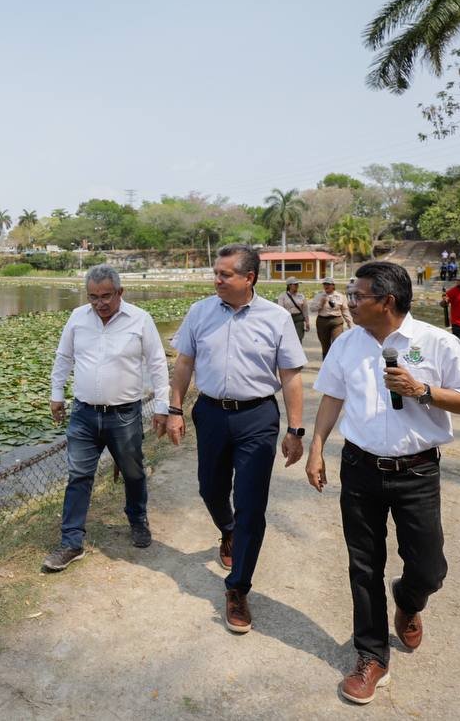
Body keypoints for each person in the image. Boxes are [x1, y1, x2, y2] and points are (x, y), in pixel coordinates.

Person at [304, 261, 460, 705]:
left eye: (358, 296)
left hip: (418, 471)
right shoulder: (346, 344)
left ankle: (408, 600)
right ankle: (371, 655)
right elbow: (333, 395)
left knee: (429, 568)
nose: (349, 301)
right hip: (361, 467)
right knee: (363, 565)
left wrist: (421, 390)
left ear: (386, 301)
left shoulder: (436, 343)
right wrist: (316, 447)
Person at [166, 244, 306, 633]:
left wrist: (295, 430)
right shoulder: (200, 312)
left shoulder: (276, 318)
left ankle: (238, 588)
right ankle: (228, 531)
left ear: (250, 278)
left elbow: (291, 376)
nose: (217, 280)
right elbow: (184, 363)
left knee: (251, 504)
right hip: (210, 413)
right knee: (209, 489)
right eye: (216, 273)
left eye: (225, 275)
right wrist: (175, 409)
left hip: (257, 417)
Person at [43, 265, 170, 572]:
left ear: (120, 293)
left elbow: (156, 363)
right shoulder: (77, 318)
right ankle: (71, 541)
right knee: (79, 476)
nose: (100, 303)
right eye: (93, 297)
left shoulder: (140, 319)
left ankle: (137, 519)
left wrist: (164, 407)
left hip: (124, 414)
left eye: (106, 296)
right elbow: (64, 357)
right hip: (84, 414)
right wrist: (57, 393)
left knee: (133, 472)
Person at [311, 277, 354, 358]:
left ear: (333, 286)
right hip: (322, 321)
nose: (326, 286)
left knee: (337, 343)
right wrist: (321, 303)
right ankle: (326, 365)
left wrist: (350, 323)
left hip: (336, 321)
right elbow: (312, 309)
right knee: (325, 345)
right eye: (324, 284)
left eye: (328, 284)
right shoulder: (319, 295)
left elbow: (345, 310)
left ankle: (336, 365)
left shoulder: (341, 296)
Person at [278, 277, 311, 342]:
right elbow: (280, 309)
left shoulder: (301, 296)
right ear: (289, 285)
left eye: (297, 284)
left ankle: (298, 351)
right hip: (287, 319)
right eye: (295, 284)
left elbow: (305, 310)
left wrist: (307, 322)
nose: (297, 286)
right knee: (288, 339)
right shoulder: (282, 296)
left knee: (298, 338)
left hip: (298, 319)